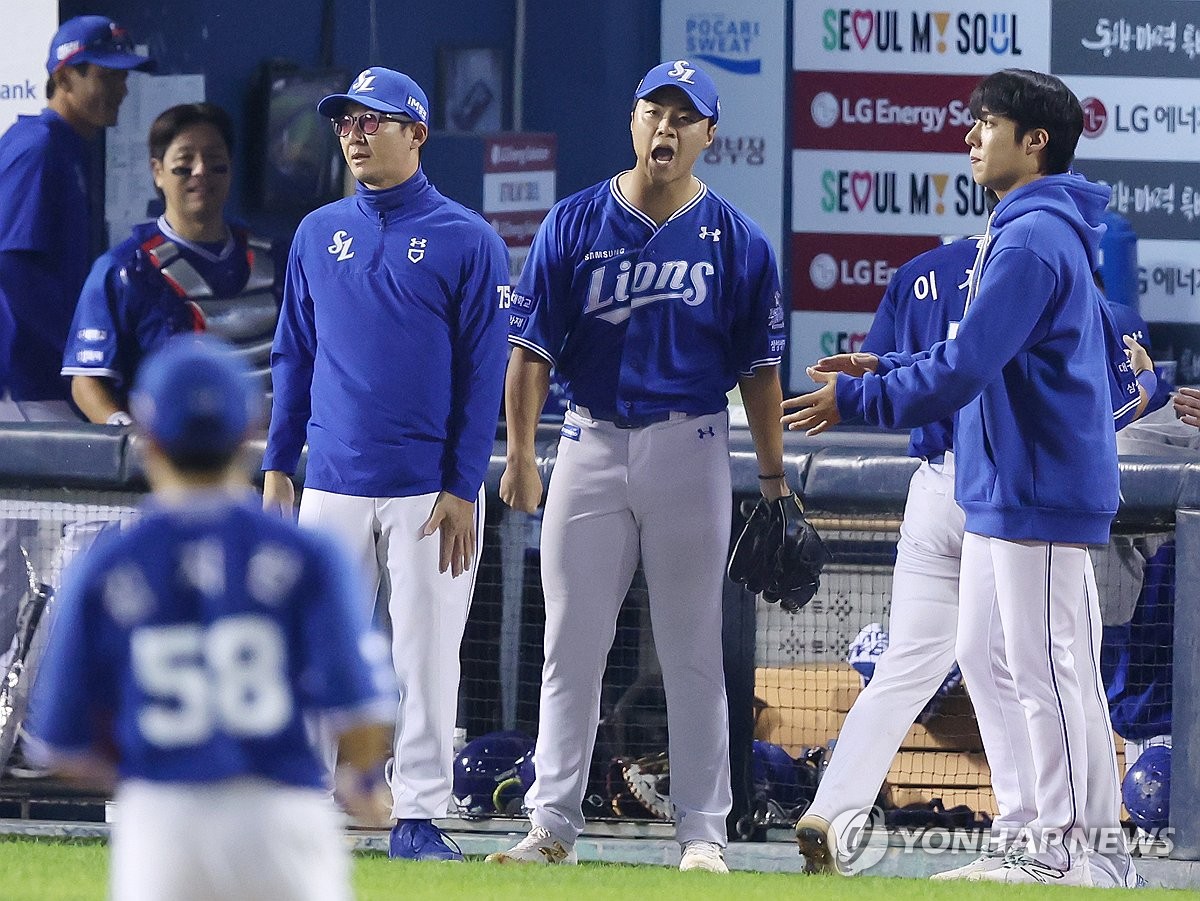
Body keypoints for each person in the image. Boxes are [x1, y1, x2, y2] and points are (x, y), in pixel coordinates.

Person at [782, 69, 1132, 886]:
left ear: (1034, 140)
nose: (970, 136)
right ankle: (1077, 848)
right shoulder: (1029, 229)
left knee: (1047, 672)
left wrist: (858, 394)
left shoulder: (1033, 235)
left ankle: (1065, 849)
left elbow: (967, 368)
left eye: (987, 122)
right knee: (1012, 661)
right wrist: (889, 361)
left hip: (1035, 488)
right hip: (1018, 484)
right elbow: (972, 357)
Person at [488, 59, 789, 874]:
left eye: (684, 117)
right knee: (570, 646)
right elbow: (529, 352)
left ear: (709, 136)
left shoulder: (739, 239)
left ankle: (702, 833)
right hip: (586, 441)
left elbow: (760, 371)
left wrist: (773, 478)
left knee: (692, 649)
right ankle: (550, 823)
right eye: (655, 112)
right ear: (632, 121)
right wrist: (519, 452)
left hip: (691, 444)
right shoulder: (574, 221)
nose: (667, 128)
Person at [24, 335, 394, 901]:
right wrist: (358, 781)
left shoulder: (108, 566)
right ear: (248, 433)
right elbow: (363, 710)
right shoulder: (305, 555)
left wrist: (153, 761)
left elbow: (60, 743)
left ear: (147, 439)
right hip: (280, 814)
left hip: (163, 819)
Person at [261, 66, 509, 861]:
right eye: (346, 123)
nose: (355, 135)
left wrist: (463, 483)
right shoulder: (315, 231)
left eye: (374, 121)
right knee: (311, 648)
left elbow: (484, 372)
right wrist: (277, 465)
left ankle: (419, 815)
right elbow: (292, 354)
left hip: (427, 492)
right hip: (329, 479)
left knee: (427, 657)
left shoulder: (469, 237)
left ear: (418, 133)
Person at [62, 102, 279, 425]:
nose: (201, 171)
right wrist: (125, 434)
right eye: (184, 162)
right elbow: (87, 379)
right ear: (157, 171)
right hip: (179, 460)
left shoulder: (277, 258)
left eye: (216, 160)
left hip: (273, 459)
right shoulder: (123, 270)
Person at [0, 15, 154, 422]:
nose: (122, 90)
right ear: (66, 78)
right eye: (107, 77)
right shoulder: (38, 147)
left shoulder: (69, 147)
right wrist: (77, 349)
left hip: (47, 378)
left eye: (124, 78)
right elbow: (11, 264)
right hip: (26, 381)